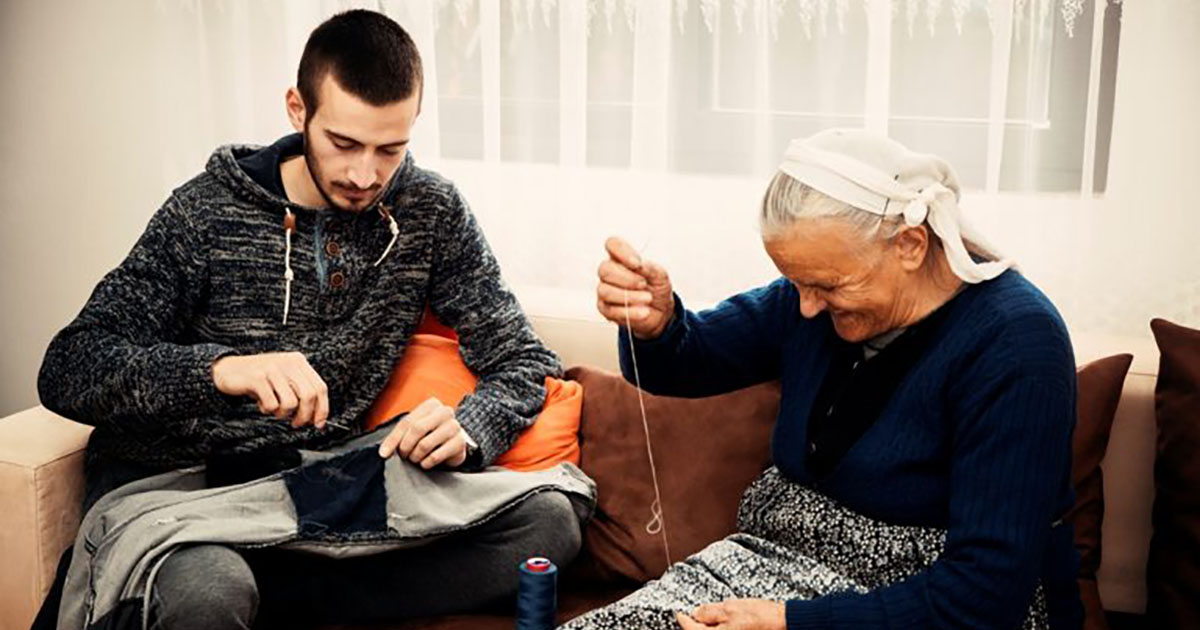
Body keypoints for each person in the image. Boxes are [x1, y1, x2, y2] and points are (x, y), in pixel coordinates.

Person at [34, 10, 580, 629]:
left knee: (548, 524)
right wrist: (222, 370)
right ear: (298, 109)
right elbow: (69, 368)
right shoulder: (203, 214)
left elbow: (525, 360)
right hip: (182, 488)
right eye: (344, 143)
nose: (365, 175)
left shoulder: (431, 211)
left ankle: (276, 597)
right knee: (211, 591)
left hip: (313, 488)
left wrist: (471, 427)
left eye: (390, 149)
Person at [575, 128, 1081, 630]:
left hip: (922, 606)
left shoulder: (1016, 346)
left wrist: (789, 622)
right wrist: (656, 325)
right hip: (769, 567)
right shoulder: (808, 301)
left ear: (909, 243)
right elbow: (685, 363)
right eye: (796, 283)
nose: (806, 307)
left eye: (825, 285)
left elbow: (984, 598)